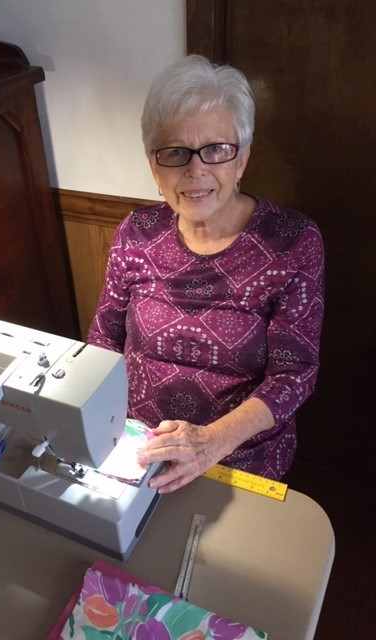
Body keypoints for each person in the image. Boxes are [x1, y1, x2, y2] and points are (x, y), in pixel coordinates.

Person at [87, 54, 324, 493]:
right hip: (138, 448)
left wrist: (210, 442)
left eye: (216, 149)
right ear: (154, 166)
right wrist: (93, 425)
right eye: (176, 152)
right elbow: (103, 339)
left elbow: (295, 374)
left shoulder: (293, 242)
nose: (196, 171)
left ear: (242, 160)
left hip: (238, 458)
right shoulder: (136, 233)